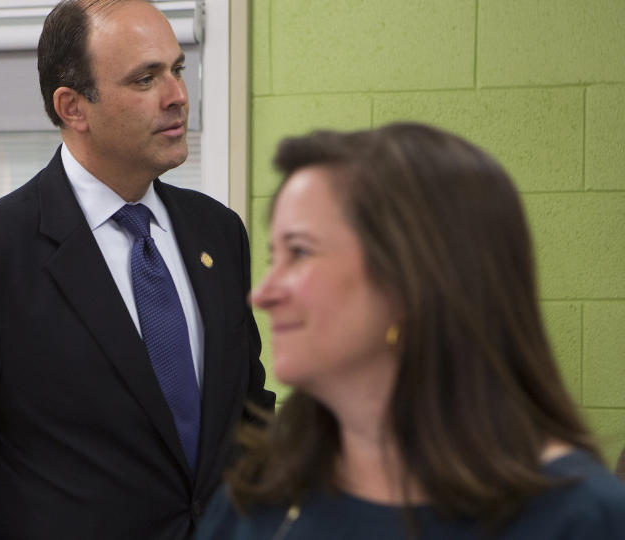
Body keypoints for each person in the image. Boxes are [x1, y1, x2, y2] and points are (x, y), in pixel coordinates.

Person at [0, 1, 274, 539]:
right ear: (73, 107)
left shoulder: (218, 234)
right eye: (145, 79)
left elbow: (248, 418)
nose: (177, 96)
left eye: (177, 70)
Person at [195, 123, 625, 539]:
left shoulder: (579, 518)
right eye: (273, 256)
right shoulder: (256, 502)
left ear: (412, 277)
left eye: (300, 252)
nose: (262, 294)